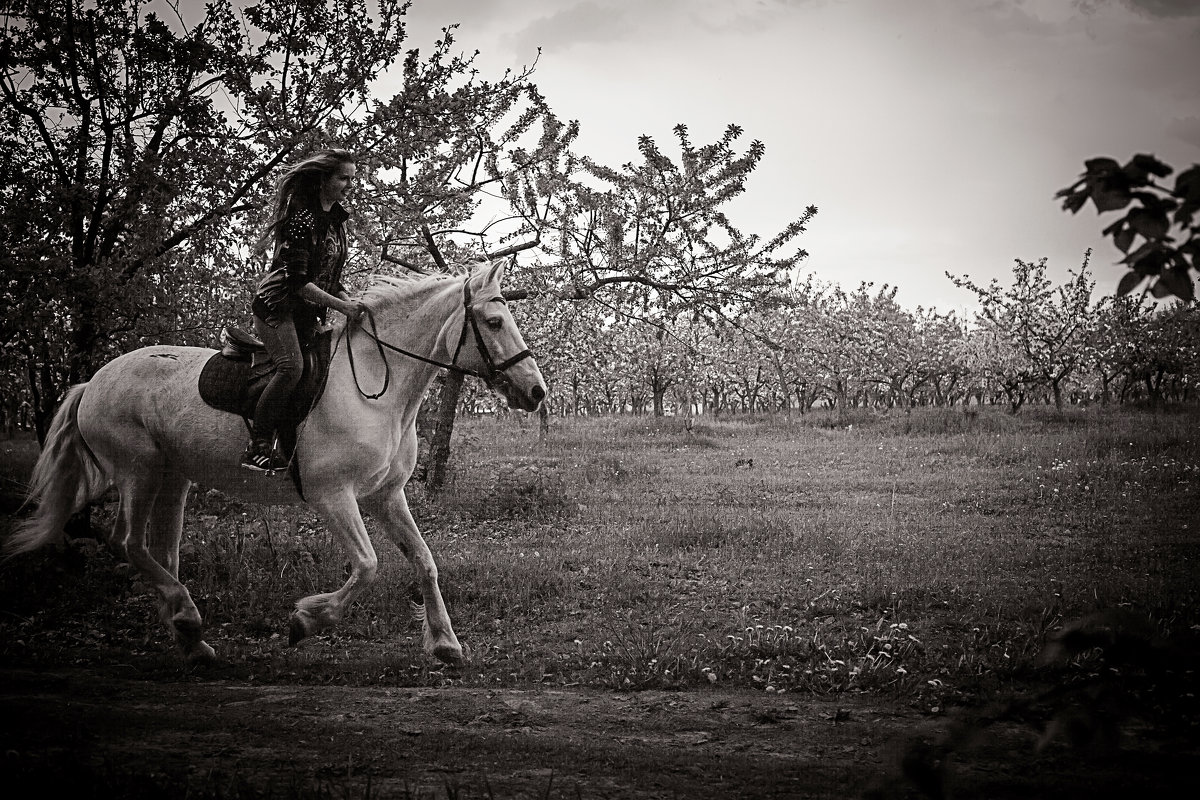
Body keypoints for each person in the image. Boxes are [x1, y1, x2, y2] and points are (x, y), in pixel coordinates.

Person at [241, 148, 367, 472]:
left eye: (353, 178)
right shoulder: (301, 216)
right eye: (344, 178)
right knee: (292, 368)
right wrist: (342, 307)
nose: (349, 185)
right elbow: (299, 283)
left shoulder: (337, 223)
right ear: (324, 178)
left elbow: (329, 279)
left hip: (306, 315)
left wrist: (351, 300)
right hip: (277, 307)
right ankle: (257, 444)